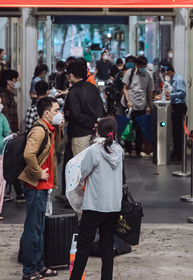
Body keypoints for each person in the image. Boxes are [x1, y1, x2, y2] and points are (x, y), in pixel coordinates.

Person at [69, 118, 123, 280]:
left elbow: (83, 172)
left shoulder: (94, 151)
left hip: (95, 205)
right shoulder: (119, 150)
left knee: (83, 246)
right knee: (107, 246)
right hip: (113, 205)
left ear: (98, 131)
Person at [19, 97, 64, 280]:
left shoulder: (49, 129)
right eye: (56, 110)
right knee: (33, 229)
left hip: (44, 186)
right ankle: (29, 271)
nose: (58, 113)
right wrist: (38, 173)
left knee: (39, 228)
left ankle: (38, 265)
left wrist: (60, 127)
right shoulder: (39, 131)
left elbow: (56, 147)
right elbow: (28, 154)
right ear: (46, 113)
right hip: (36, 186)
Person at [65, 60, 104, 156]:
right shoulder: (93, 87)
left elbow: (76, 114)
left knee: (80, 164)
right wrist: (96, 124)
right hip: (97, 133)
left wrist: (91, 124)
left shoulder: (73, 91)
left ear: (71, 75)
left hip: (80, 133)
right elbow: (100, 107)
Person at [0, 69, 23, 202]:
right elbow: (4, 117)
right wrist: (10, 134)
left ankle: (17, 193)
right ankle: (9, 193)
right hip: (6, 136)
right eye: (15, 80)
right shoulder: (3, 97)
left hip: (11, 135)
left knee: (11, 163)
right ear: (9, 81)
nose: (17, 82)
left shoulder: (10, 95)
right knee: (9, 163)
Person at [122, 55, 154, 158]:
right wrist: (128, 101)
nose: (143, 68)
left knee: (140, 129)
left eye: (144, 66)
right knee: (128, 127)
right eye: (141, 66)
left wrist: (149, 105)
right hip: (129, 105)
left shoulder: (149, 75)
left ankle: (139, 150)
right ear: (136, 65)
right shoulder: (130, 73)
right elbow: (125, 88)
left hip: (141, 104)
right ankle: (128, 149)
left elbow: (150, 91)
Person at [163, 66, 187, 161]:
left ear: (170, 71)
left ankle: (179, 153)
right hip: (175, 106)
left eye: (167, 73)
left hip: (180, 107)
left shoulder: (179, 79)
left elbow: (182, 93)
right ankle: (176, 151)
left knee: (178, 131)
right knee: (175, 131)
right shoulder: (172, 80)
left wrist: (170, 95)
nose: (166, 75)